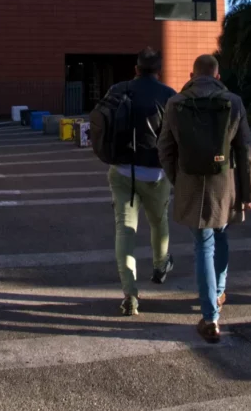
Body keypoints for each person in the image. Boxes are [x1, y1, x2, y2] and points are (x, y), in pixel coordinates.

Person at [157, 54, 251, 343]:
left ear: (191, 74)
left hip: (190, 181)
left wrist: (178, 178)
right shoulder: (233, 102)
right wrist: (248, 192)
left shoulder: (175, 103)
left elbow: (164, 147)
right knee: (221, 235)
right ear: (217, 75)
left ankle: (210, 317)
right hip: (224, 183)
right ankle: (219, 290)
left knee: (203, 244)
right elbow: (245, 150)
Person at [94, 47, 177, 316]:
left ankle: (130, 294)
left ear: (136, 69)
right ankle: (160, 264)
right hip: (155, 174)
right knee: (158, 221)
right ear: (159, 71)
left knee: (124, 230)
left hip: (120, 171)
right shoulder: (168, 95)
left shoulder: (118, 89)